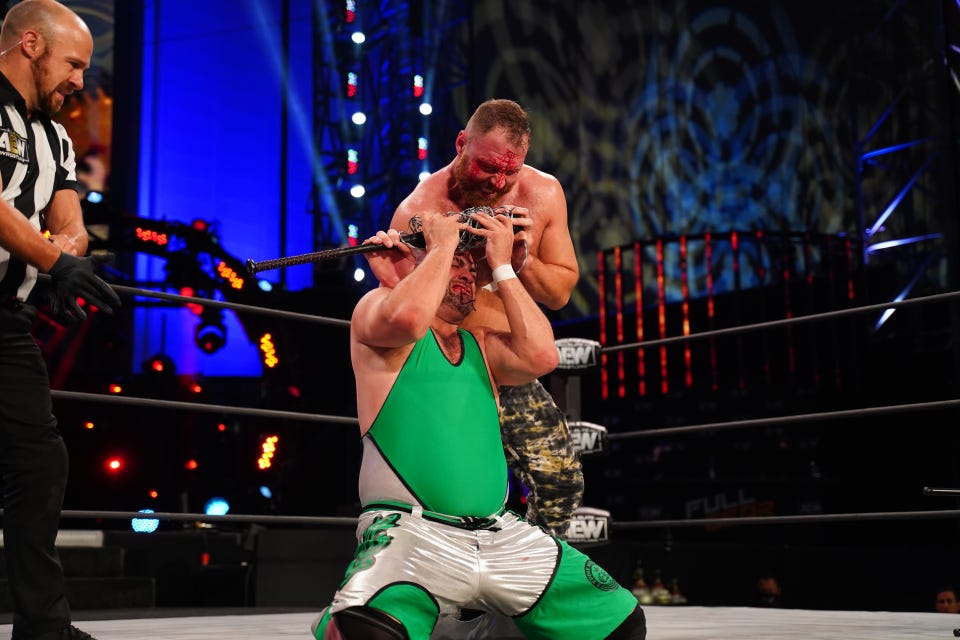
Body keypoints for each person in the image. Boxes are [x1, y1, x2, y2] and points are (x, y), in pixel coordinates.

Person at [311, 210, 645, 639]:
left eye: (472, 267)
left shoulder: (481, 344)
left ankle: (473, 624)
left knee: (621, 625)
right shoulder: (375, 314)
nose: (467, 274)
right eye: (455, 263)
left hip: (501, 534)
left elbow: (543, 356)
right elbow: (409, 317)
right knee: (366, 631)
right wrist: (433, 251)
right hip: (413, 532)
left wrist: (502, 267)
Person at [383, 98, 583, 538]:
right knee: (450, 495)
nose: (498, 182)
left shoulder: (541, 194)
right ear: (461, 144)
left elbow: (560, 293)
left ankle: (530, 571)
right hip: (449, 371)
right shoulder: (420, 208)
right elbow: (404, 311)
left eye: (510, 172)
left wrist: (519, 259)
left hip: (508, 365)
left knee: (560, 481)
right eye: (488, 167)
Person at [0, 2, 121, 639]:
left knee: (40, 464)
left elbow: (68, 218)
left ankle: (43, 629)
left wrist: (62, 261)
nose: (79, 79)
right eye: (73, 63)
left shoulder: (54, 135)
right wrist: (53, 261)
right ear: (30, 44)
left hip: (6, 322)